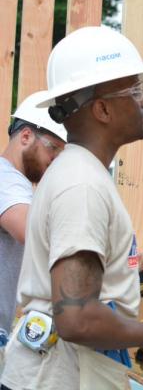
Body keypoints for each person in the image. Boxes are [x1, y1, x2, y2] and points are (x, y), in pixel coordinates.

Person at [1, 26, 143, 390]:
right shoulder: (82, 185)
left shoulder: (78, 173)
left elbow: (68, 283)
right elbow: (76, 318)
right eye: (135, 91)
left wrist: (138, 280)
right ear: (103, 109)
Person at [0, 92, 67, 373]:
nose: (55, 160)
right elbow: (34, 233)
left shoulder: (21, 188)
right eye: (53, 148)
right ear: (25, 136)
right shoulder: (5, 178)